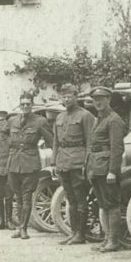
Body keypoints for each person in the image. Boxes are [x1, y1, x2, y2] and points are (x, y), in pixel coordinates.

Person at [7, 93, 54, 239]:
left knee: (27, 196)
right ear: (19, 105)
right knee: (18, 197)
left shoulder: (40, 121)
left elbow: (51, 141)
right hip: (14, 163)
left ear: (32, 105)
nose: (25, 106)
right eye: (23, 104)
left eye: (28, 103)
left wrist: (55, 161)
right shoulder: (12, 121)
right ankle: (19, 227)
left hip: (30, 163)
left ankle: (23, 228)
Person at [53, 84, 95, 245]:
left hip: (78, 161)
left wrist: (87, 162)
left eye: (69, 96)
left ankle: (81, 234)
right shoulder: (59, 117)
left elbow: (90, 141)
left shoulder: (85, 116)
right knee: (71, 199)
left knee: (80, 198)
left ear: (76, 97)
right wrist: (54, 162)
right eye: (63, 97)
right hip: (63, 162)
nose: (66, 99)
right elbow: (56, 141)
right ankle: (73, 232)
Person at [86, 87, 126, 252]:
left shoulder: (113, 120)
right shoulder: (98, 119)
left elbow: (117, 148)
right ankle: (106, 238)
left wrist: (113, 171)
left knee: (111, 204)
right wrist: (89, 168)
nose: (98, 102)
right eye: (95, 99)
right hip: (97, 167)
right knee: (102, 205)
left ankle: (113, 241)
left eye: (102, 98)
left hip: (107, 168)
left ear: (109, 99)